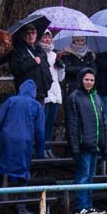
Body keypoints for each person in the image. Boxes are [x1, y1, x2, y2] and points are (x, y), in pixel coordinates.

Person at [0, 79, 44, 214]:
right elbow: (40, 131)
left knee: (0, 169)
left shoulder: (11, 101)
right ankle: (21, 207)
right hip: (25, 144)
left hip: (6, 140)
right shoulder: (37, 106)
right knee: (22, 174)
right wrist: (41, 151)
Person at [66, 68, 107, 214]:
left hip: (95, 145)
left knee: (90, 176)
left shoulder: (97, 98)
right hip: (83, 145)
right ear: (81, 80)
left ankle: (88, 205)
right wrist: (75, 148)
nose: (89, 82)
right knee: (83, 176)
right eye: (86, 79)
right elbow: (72, 125)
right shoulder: (74, 98)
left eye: (91, 80)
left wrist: (105, 145)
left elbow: (103, 123)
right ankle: (81, 206)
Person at [38, 29, 65, 158]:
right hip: (45, 93)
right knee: (42, 122)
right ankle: (41, 148)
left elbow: (60, 78)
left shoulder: (55, 55)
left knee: (50, 123)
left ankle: (48, 147)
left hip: (55, 94)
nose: (47, 40)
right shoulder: (38, 54)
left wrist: (60, 66)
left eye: (48, 37)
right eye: (44, 37)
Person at [9, 24, 51, 103]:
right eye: (28, 33)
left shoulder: (40, 50)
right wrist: (32, 62)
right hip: (27, 93)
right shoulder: (19, 51)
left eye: (33, 33)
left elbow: (46, 67)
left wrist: (49, 81)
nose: (31, 36)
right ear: (23, 35)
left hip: (41, 92)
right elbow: (15, 69)